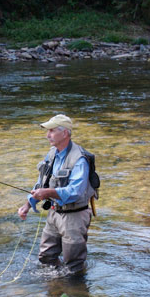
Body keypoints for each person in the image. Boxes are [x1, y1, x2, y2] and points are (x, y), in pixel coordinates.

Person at [17, 114, 96, 275]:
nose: (47, 135)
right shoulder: (52, 153)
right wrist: (27, 205)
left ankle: (76, 295)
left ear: (65, 133)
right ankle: (55, 289)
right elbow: (42, 182)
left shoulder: (79, 159)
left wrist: (48, 193)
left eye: (51, 131)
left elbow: (75, 191)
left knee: (74, 266)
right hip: (54, 213)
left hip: (74, 216)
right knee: (46, 257)